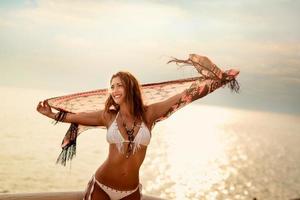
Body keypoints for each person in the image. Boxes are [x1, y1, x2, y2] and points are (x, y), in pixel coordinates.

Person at [36, 54, 240, 200]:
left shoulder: (149, 114)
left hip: (131, 192)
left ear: (130, 87)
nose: (114, 90)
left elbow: (185, 96)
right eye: (112, 86)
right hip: (101, 187)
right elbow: (74, 116)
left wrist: (218, 79)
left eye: (119, 85)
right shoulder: (108, 116)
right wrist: (51, 114)